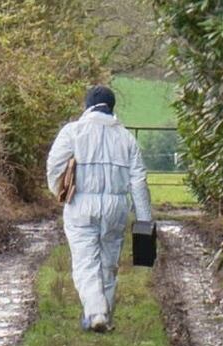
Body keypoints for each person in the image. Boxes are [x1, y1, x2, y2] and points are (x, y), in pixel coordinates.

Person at [46, 85, 152, 332]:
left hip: (81, 204)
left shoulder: (73, 131)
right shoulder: (126, 137)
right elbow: (139, 182)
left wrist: (60, 191)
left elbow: (54, 167)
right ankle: (104, 314)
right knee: (108, 263)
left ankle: (95, 314)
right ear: (111, 108)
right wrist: (145, 223)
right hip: (116, 207)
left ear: (87, 106)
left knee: (85, 262)